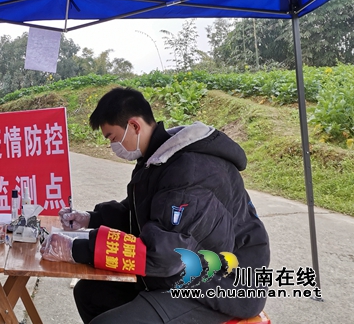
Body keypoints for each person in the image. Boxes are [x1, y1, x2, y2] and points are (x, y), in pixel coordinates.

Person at [40, 87, 270, 323]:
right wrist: (91, 219)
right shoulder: (158, 161)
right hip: (180, 271)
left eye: (113, 137)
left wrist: (76, 250)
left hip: (221, 285)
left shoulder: (189, 172)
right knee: (90, 293)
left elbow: (163, 255)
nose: (113, 146)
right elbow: (139, 217)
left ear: (135, 126)